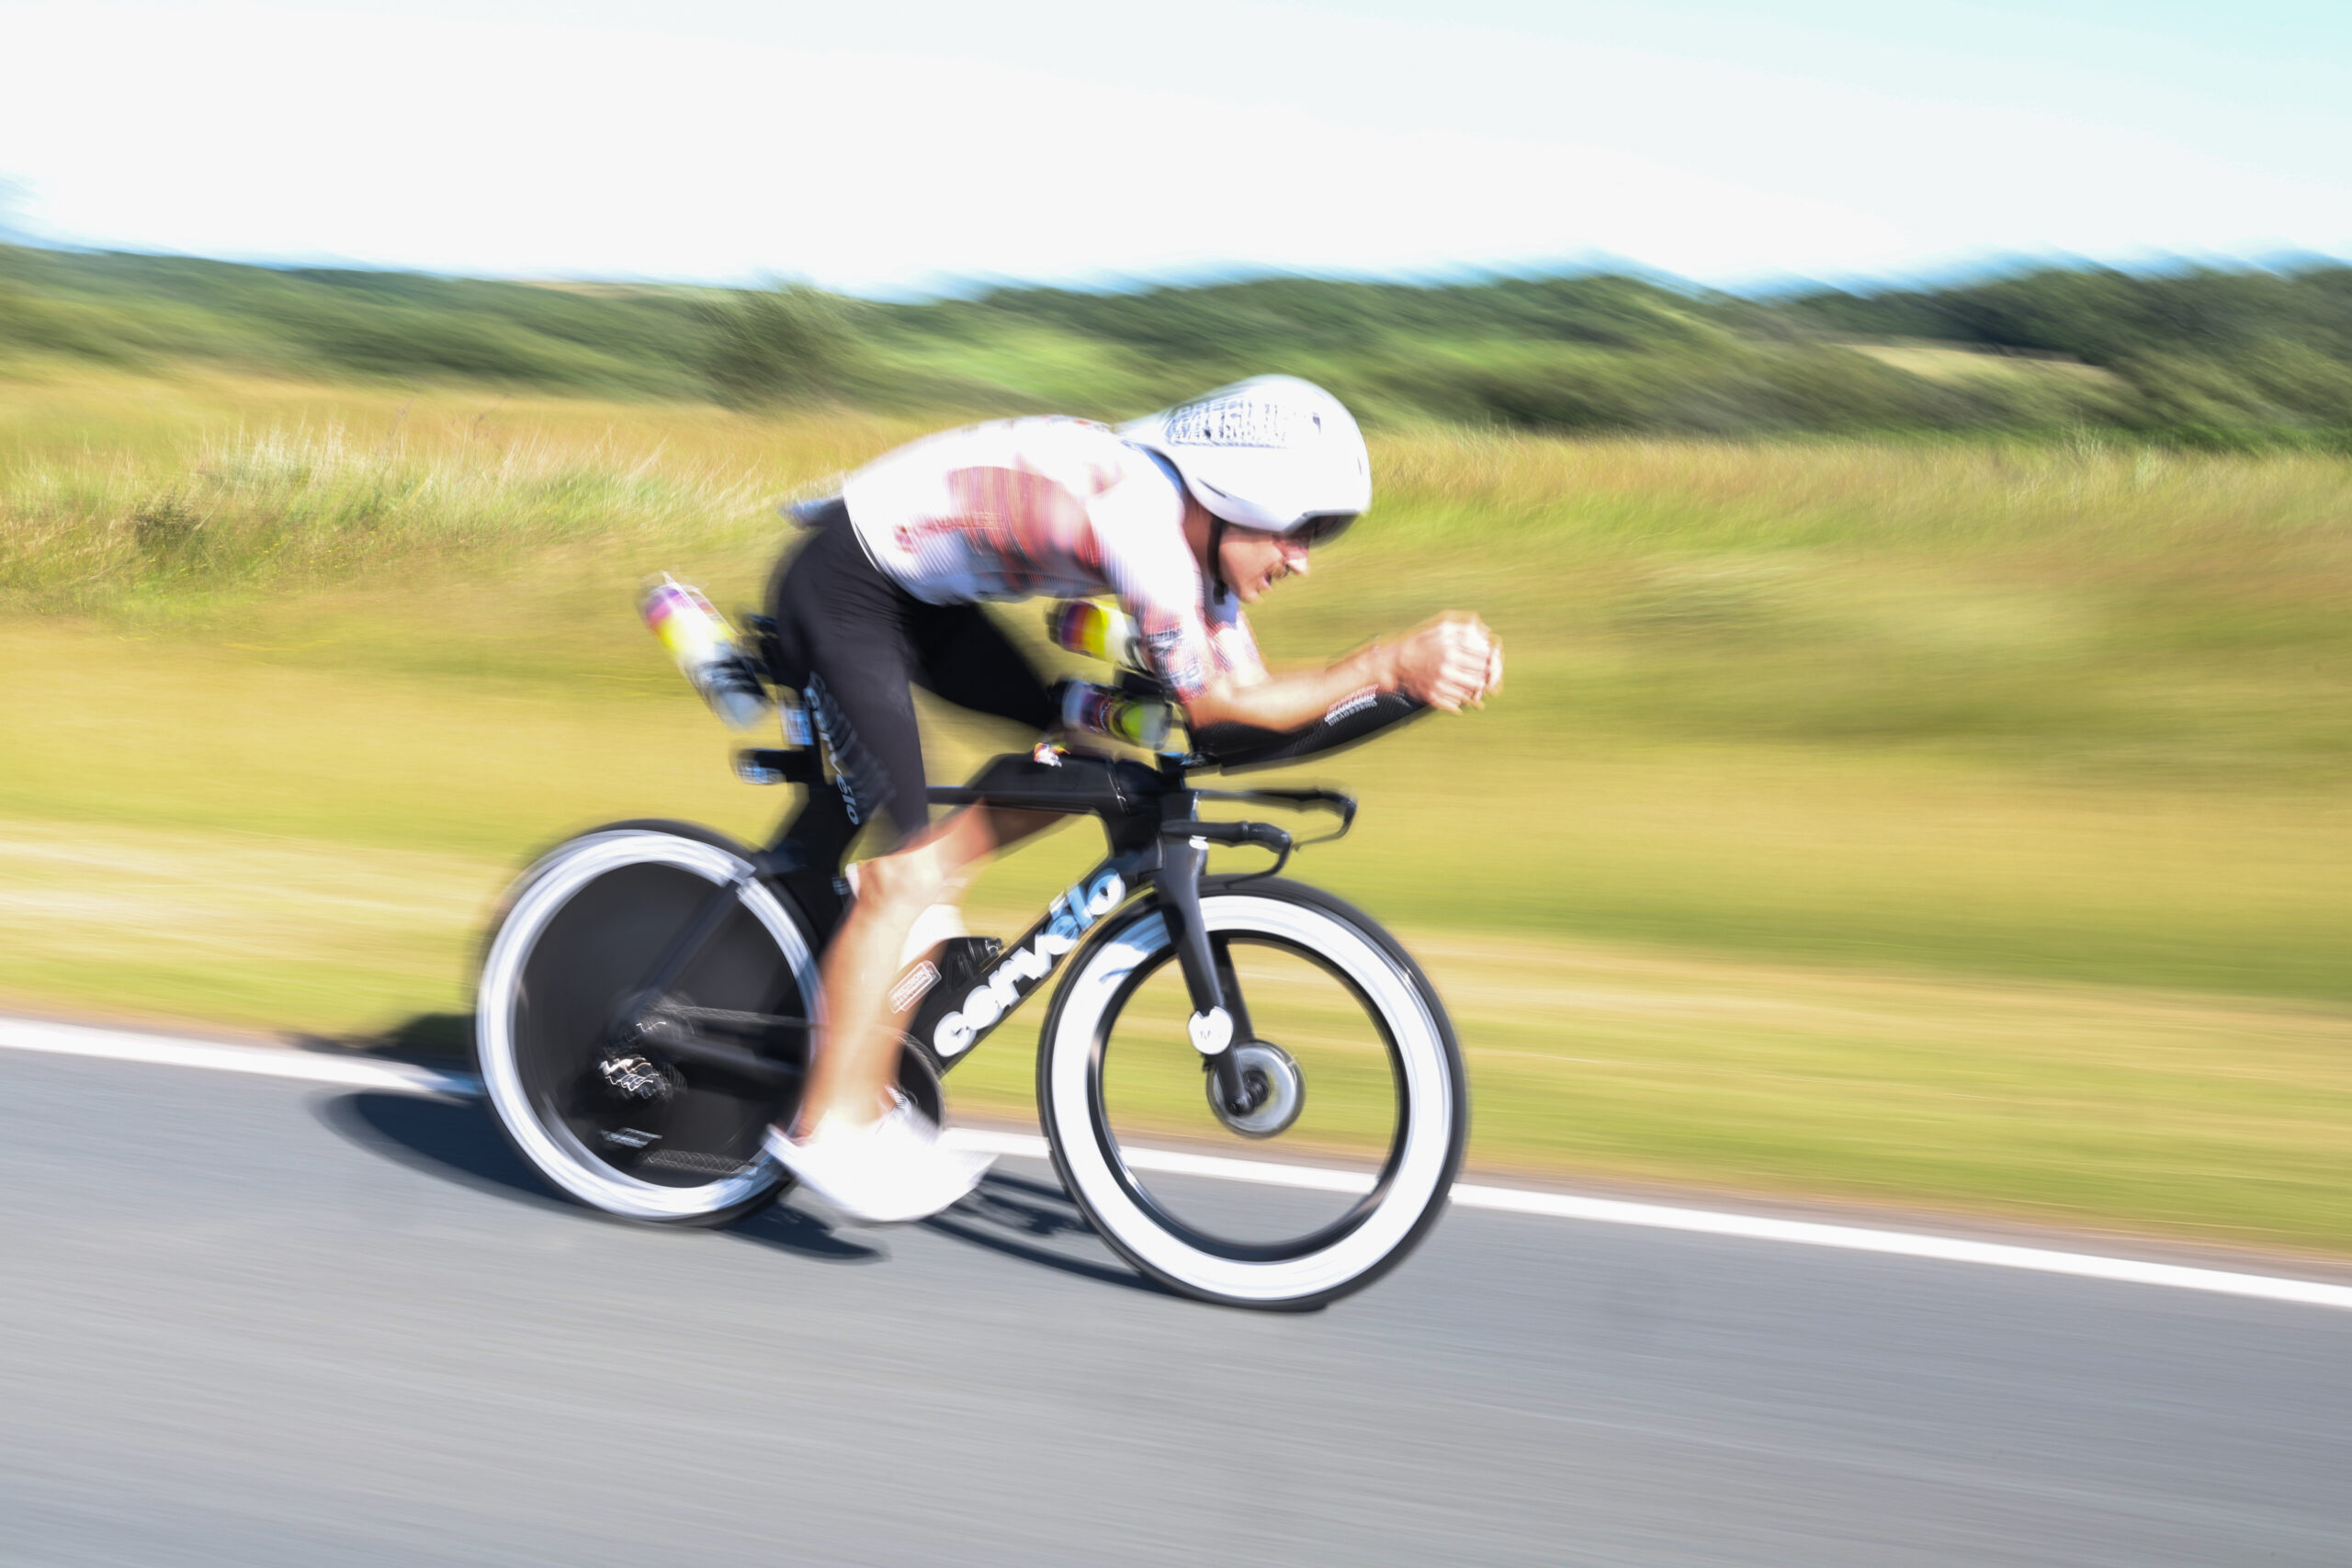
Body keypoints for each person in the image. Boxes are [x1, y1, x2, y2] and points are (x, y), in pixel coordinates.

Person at [763, 375, 1502, 1222]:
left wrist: (1404, 692)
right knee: (909, 876)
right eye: (1300, 529)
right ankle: (827, 1123)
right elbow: (1218, 710)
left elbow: (1251, 720)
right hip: (848, 588)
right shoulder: (1143, 523)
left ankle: (888, 997)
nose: (1302, 558)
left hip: (922, 599)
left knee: (1080, 755)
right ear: (1234, 498)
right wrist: (1385, 664)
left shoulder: (1197, 552)